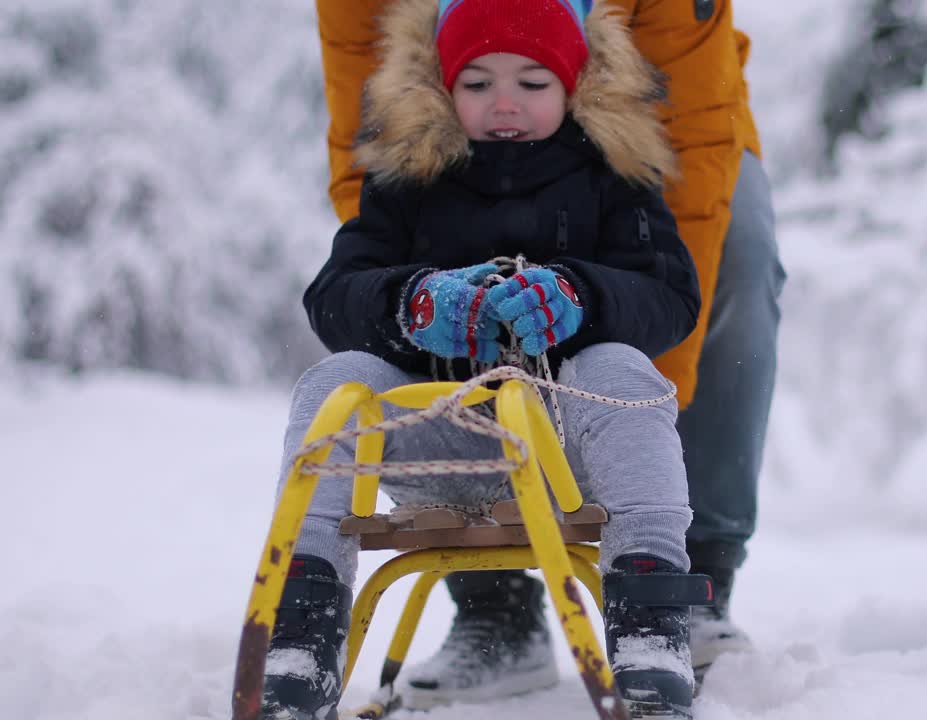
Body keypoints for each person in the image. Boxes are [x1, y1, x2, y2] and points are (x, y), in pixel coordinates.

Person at [256, 1, 720, 718]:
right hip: (446, 437)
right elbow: (333, 296)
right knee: (335, 386)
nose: (505, 104)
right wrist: (413, 303)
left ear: (572, 87)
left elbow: (670, 294)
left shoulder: (612, 173)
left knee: (626, 374)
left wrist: (582, 294)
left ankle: (652, 623)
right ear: (444, 87)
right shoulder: (407, 177)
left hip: (570, 445)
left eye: (532, 83)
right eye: (477, 83)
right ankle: (303, 625)